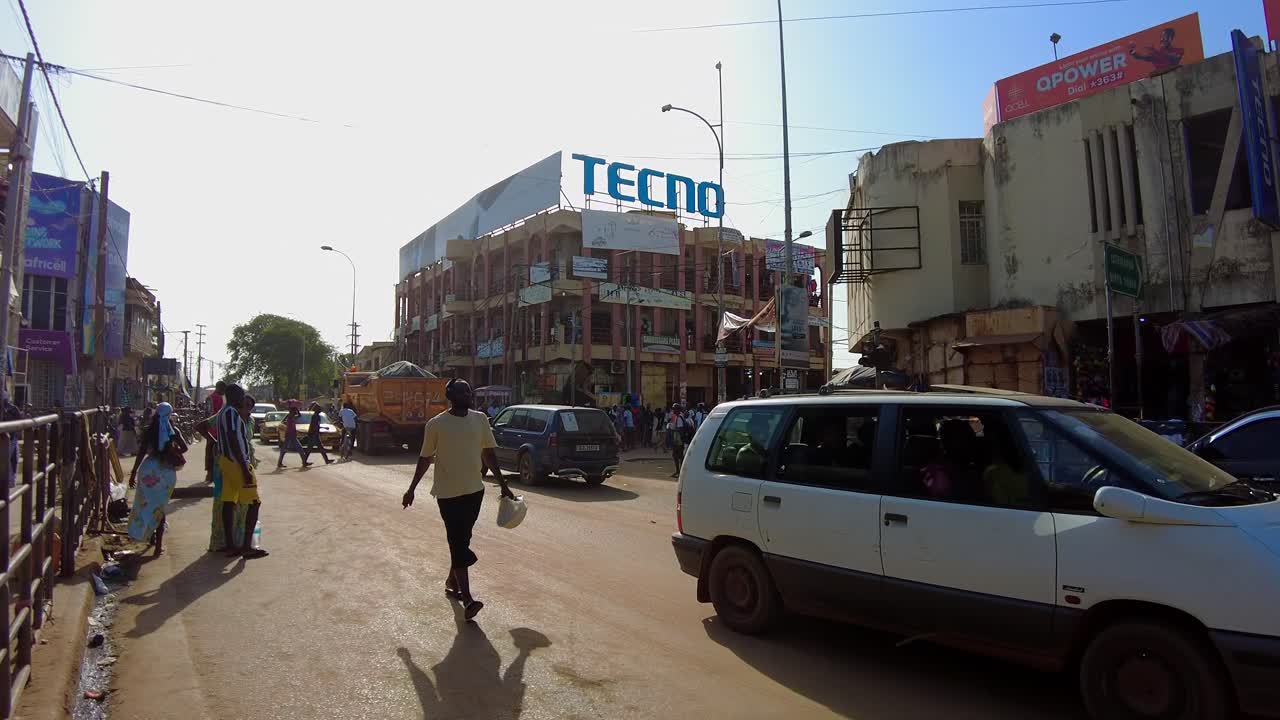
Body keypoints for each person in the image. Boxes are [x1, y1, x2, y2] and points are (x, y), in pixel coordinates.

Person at [402, 378, 515, 622]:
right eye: (464, 391)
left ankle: (452, 581)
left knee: (463, 540)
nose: (469, 394)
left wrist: (504, 485)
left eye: (469, 390)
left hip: (475, 490)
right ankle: (468, 599)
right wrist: (411, 489)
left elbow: (489, 453)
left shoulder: (480, 419)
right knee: (457, 541)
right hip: (447, 493)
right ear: (451, 396)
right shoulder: (436, 425)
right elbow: (425, 458)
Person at [126, 402, 189, 556]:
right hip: (166, 472)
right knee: (160, 508)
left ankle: (146, 536)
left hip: (148, 469)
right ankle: (158, 546)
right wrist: (172, 451)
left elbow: (141, 452)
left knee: (145, 504)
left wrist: (134, 472)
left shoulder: (149, 430)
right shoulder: (173, 430)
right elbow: (185, 447)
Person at [217, 384, 267, 558]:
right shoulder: (230, 413)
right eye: (241, 395)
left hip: (227, 461)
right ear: (234, 396)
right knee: (254, 502)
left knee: (229, 501)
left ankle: (230, 545)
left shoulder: (223, 412)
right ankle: (247, 546)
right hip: (236, 463)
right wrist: (244, 467)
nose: (242, 398)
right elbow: (233, 438)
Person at [669, 404, 690, 478]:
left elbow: (680, 430)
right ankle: (680, 471)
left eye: (674, 409)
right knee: (679, 456)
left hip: (678, 440)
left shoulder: (679, 418)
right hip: (679, 440)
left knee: (677, 456)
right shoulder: (680, 417)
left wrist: (675, 430)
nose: (673, 410)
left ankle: (679, 472)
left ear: (678, 410)